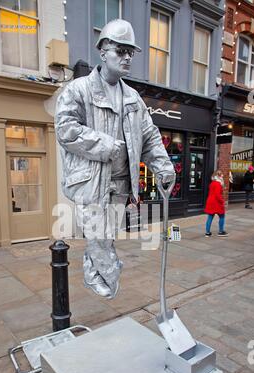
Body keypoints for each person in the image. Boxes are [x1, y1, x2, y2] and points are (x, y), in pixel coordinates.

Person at [55, 19, 175, 299]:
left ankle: (95, 268)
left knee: (105, 237)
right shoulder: (78, 89)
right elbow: (66, 130)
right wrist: (106, 145)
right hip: (92, 183)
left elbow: (150, 137)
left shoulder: (133, 98)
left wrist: (164, 167)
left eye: (130, 52)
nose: (127, 57)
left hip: (121, 185)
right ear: (103, 51)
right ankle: (106, 271)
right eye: (121, 51)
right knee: (99, 238)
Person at [204, 170, 228, 237]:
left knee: (210, 217)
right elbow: (217, 195)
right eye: (222, 175)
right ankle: (221, 231)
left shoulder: (212, 183)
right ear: (219, 176)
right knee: (222, 216)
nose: (222, 176)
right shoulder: (218, 184)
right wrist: (222, 201)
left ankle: (207, 233)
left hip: (210, 201)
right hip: (216, 202)